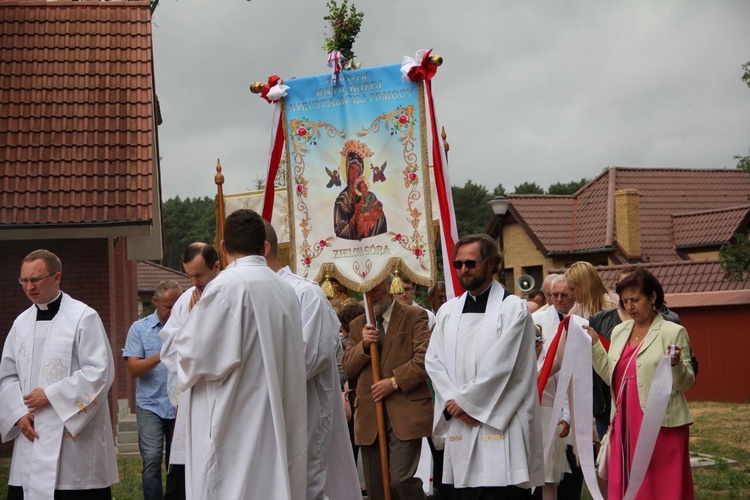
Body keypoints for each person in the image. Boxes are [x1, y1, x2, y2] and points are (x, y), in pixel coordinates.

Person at [159, 209, 308, 499]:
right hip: (276, 416)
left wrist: (182, 329)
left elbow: (191, 358)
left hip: (237, 421)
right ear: (263, 245)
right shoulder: (285, 289)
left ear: (224, 247)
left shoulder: (225, 288)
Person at [425, 234, 543, 499]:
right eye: (458, 265)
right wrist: (452, 400)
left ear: (491, 264)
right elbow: (433, 360)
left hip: (499, 420)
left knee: (499, 489)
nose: (463, 270)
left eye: (470, 263)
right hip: (459, 419)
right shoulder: (447, 311)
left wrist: (465, 401)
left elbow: (503, 366)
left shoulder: (512, 309)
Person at [0, 249, 118, 499]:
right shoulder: (20, 323)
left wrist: (51, 395)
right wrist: (18, 414)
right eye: (24, 280)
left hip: (72, 443)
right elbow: (8, 376)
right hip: (32, 432)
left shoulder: (83, 317)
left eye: (36, 279)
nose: (29, 287)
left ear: (57, 277)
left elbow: (99, 372)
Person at [264, 220, 359, 500]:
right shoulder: (246, 291)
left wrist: (258, 373)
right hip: (265, 412)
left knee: (304, 485)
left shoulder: (305, 293)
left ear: (263, 249)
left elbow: (309, 357)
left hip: (302, 410)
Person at [585, 268, 695, 499]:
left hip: (661, 423)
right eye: (625, 301)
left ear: (653, 297)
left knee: (660, 485)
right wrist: (595, 345)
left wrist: (675, 366)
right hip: (625, 420)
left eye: (635, 300)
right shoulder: (619, 331)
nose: (629, 306)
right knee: (628, 482)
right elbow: (611, 376)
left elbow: (686, 383)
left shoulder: (673, 331)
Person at [342, 275, 433, 500]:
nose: (370, 295)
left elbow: (426, 359)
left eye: (376, 288)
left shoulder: (414, 316)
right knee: (376, 488)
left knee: (401, 480)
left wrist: (393, 382)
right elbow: (347, 367)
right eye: (366, 290)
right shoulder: (357, 325)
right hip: (370, 413)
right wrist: (363, 345)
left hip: (405, 411)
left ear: (391, 287)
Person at [160, 242, 221, 500]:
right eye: (189, 275)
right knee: (183, 480)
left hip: (222, 394)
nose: (194, 282)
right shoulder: (185, 300)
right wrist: (193, 319)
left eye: (199, 275)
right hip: (193, 398)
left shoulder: (229, 293)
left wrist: (198, 322)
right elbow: (169, 351)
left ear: (216, 267)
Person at [123, 280, 182, 500]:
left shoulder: (189, 326)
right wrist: (162, 353)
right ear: (155, 302)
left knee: (178, 463)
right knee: (151, 460)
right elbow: (133, 369)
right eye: (168, 306)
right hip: (151, 406)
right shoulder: (139, 329)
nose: (172, 312)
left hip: (180, 405)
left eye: (177, 305)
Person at [531, 276, 574, 500]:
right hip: (534, 408)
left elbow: (567, 376)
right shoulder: (536, 319)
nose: (557, 299)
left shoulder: (580, 320)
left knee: (552, 475)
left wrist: (567, 412)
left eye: (564, 295)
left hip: (557, 408)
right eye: (552, 295)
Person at [333, 139, 387, 240]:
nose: (354, 173)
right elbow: (340, 234)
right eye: (352, 168)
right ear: (347, 169)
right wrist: (356, 214)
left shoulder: (365, 194)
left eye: (358, 170)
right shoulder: (341, 201)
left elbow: (380, 219)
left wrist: (375, 213)